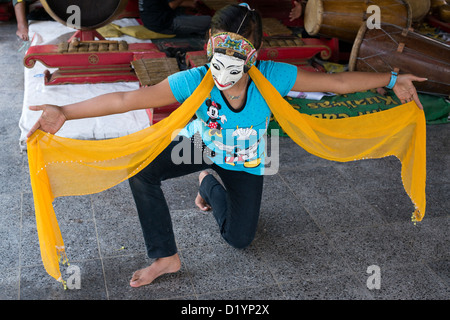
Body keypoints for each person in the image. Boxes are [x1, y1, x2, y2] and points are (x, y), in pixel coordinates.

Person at [26, 3, 425, 288]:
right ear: (210, 45)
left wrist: (392, 79)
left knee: (240, 239)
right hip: (202, 147)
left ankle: (208, 185)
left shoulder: (273, 77)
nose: (225, 67)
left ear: (253, 55)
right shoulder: (196, 80)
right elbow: (127, 99)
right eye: (219, 51)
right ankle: (165, 256)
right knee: (141, 171)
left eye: (237, 54)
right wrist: (64, 110)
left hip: (249, 162)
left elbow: (337, 83)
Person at [139, 0, 211, 37]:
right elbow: (172, 5)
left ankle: (197, 30)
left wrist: (193, 4)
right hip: (164, 25)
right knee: (209, 20)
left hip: (149, 23)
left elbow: (167, 3)